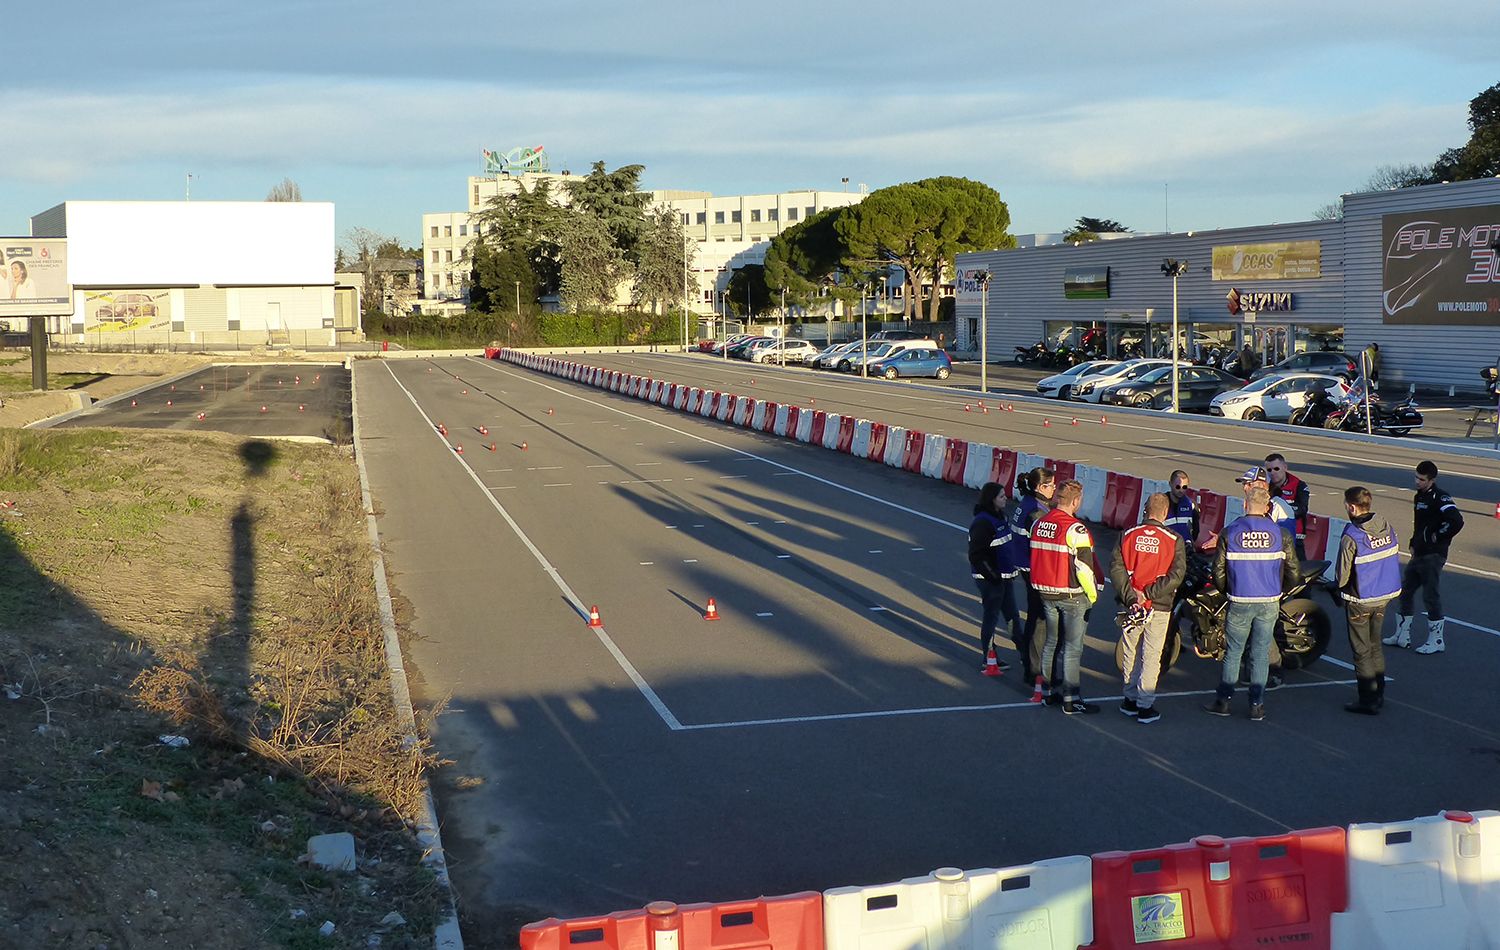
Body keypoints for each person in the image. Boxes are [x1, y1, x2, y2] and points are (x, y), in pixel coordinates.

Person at [1203, 485, 1299, 721]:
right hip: (1268, 601)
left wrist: (1228, 591)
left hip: (1240, 600)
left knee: (1234, 653)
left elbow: (1218, 571)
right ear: (1267, 508)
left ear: (1245, 505)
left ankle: (1223, 701)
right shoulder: (1280, 534)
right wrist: (1280, 592)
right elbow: (1294, 572)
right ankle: (1256, 704)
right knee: (1260, 653)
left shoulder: (1230, 532)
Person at [1110, 493, 1187, 725]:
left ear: (1145, 509)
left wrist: (1132, 596)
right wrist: (1150, 594)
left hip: (1131, 605)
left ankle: (1130, 700)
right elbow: (1177, 575)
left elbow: (1116, 568)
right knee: (1151, 656)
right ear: (1165, 513)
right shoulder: (1174, 539)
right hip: (1160, 605)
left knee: (1130, 650)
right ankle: (1145, 706)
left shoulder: (1127, 535)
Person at [1030, 480, 1103, 714]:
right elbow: (1084, 568)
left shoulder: (1039, 523)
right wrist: (1092, 596)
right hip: (1071, 595)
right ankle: (1072, 698)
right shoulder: (1076, 529)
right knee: (1072, 649)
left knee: (1051, 642)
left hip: (1045, 591)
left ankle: (1047, 692)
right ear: (1075, 501)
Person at [1387, 460, 1464, 654]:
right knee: (1405, 592)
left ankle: (1436, 640)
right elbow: (1419, 523)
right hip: (1419, 552)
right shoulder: (1419, 497)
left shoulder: (1441, 497)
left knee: (1430, 595)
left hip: (1434, 554)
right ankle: (1402, 634)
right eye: (1416, 477)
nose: (1417, 482)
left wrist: (1437, 536)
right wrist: (1414, 541)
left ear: (1432, 480)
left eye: (1422, 479)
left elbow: (1456, 521)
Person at [1334, 486, 1399, 715]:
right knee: (1375, 645)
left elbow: (1342, 574)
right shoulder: (1387, 527)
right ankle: (1379, 692)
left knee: (1361, 650)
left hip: (1360, 599)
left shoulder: (1352, 534)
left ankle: (1367, 699)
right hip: (1384, 596)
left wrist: (1336, 590)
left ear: (1352, 507)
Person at [1006, 467, 1055, 683]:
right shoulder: (1037, 511)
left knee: (1034, 616)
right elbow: (1041, 546)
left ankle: (1028, 660)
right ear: (1040, 487)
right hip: (1033, 569)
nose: (1054, 488)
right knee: (1039, 621)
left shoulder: (1025, 503)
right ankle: (1035, 669)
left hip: (1024, 565)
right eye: (1051, 485)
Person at [968, 481, 1020, 676]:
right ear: (992, 499)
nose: (1005, 498)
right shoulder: (983, 522)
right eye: (1001, 496)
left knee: (1013, 616)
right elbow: (976, 555)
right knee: (991, 617)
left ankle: (1025, 653)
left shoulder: (1001, 517)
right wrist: (994, 576)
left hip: (1006, 577)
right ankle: (988, 657)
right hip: (990, 579)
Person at [1263, 453, 1310, 559]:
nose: (1273, 473)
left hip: (1294, 537)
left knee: (1299, 571)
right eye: (1269, 470)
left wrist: (1282, 506)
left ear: (1285, 467)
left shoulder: (1299, 485)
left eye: (1276, 468)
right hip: (1270, 537)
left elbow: (1302, 509)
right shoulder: (1265, 486)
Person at [1164, 470, 1200, 545]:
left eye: (1184, 487)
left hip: (1184, 550)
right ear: (1170, 484)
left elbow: (1196, 530)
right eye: (1178, 487)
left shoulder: (1191, 505)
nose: (1181, 490)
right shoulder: (1161, 503)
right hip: (1166, 548)